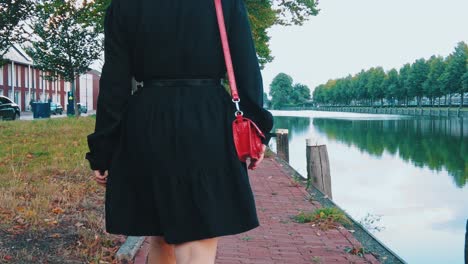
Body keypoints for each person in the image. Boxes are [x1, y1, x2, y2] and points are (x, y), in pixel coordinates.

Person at [84, 0, 274, 263]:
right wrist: (259, 127)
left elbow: (114, 83)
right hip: (208, 121)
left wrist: (102, 149)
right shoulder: (225, 3)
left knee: (160, 233)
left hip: (148, 119)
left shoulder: (124, 6)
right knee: (199, 232)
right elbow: (247, 69)